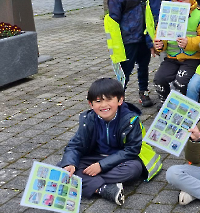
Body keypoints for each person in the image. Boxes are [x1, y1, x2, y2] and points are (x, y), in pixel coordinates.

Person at [58, 78, 162, 206]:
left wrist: (101, 166)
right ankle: (103, 188)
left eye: (109, 99)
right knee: (63, 167)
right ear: (91, 104)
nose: (104, 105)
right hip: (95, 156)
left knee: (134, 169)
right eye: (98, 101)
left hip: (122, 160)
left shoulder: (130, 120)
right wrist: (70, 163)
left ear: (120, 100)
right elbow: (75, 145)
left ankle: (85, 182)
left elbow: (131, 150)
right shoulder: (88, 119)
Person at [106, 0, 154, 107]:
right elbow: (114, 19)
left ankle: (143, 91)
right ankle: (119, 97)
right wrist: (117, 42)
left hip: (142, 36)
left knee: (144, 65)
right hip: (128, 39)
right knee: (125, 69)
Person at [153, 0, 200, 101]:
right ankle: (165, 103)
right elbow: (160, 34)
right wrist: (159, 45)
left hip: (192, 57)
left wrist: (189, 42)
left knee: (180, 81)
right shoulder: (166, 12)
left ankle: (183, 104)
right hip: (172, 57)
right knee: (159, 79)